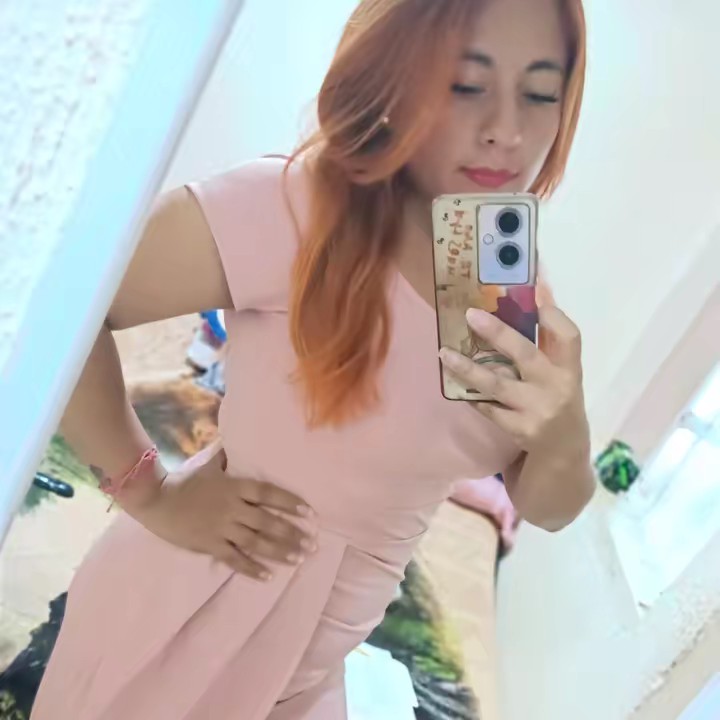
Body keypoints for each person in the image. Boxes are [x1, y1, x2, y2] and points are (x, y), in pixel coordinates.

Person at [32, 0, 595, 717]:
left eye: (541, 93)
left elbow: (547, 507)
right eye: (466, 84)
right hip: (188, 619)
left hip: (312, 666)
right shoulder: (295, 208)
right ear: (393, 77)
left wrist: (564, 430)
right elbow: (61, 301)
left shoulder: (498, 267)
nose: (507, 131)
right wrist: (151, 494)